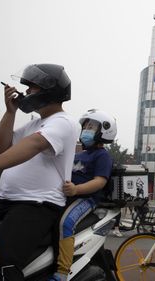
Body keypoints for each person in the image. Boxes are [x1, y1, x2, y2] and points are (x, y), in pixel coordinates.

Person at [0, 64, 80, 281]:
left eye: (31, 88)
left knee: (2, 264)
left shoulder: (64, 122)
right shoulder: (34, 123)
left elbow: (35, 144)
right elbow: (3, 146)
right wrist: (10, 111)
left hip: (36, 204)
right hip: (5, 201)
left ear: (49, 90)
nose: (26, 93)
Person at [51, 109, 116, 281]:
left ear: (104, 131)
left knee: (66, 223)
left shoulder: (103, 156)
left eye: (92, 126)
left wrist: (77, 190)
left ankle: (63, 271)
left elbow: (100, 181)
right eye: (86, 126)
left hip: (86, 199)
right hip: (67, 196)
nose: (86, 129)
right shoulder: (78, 153)